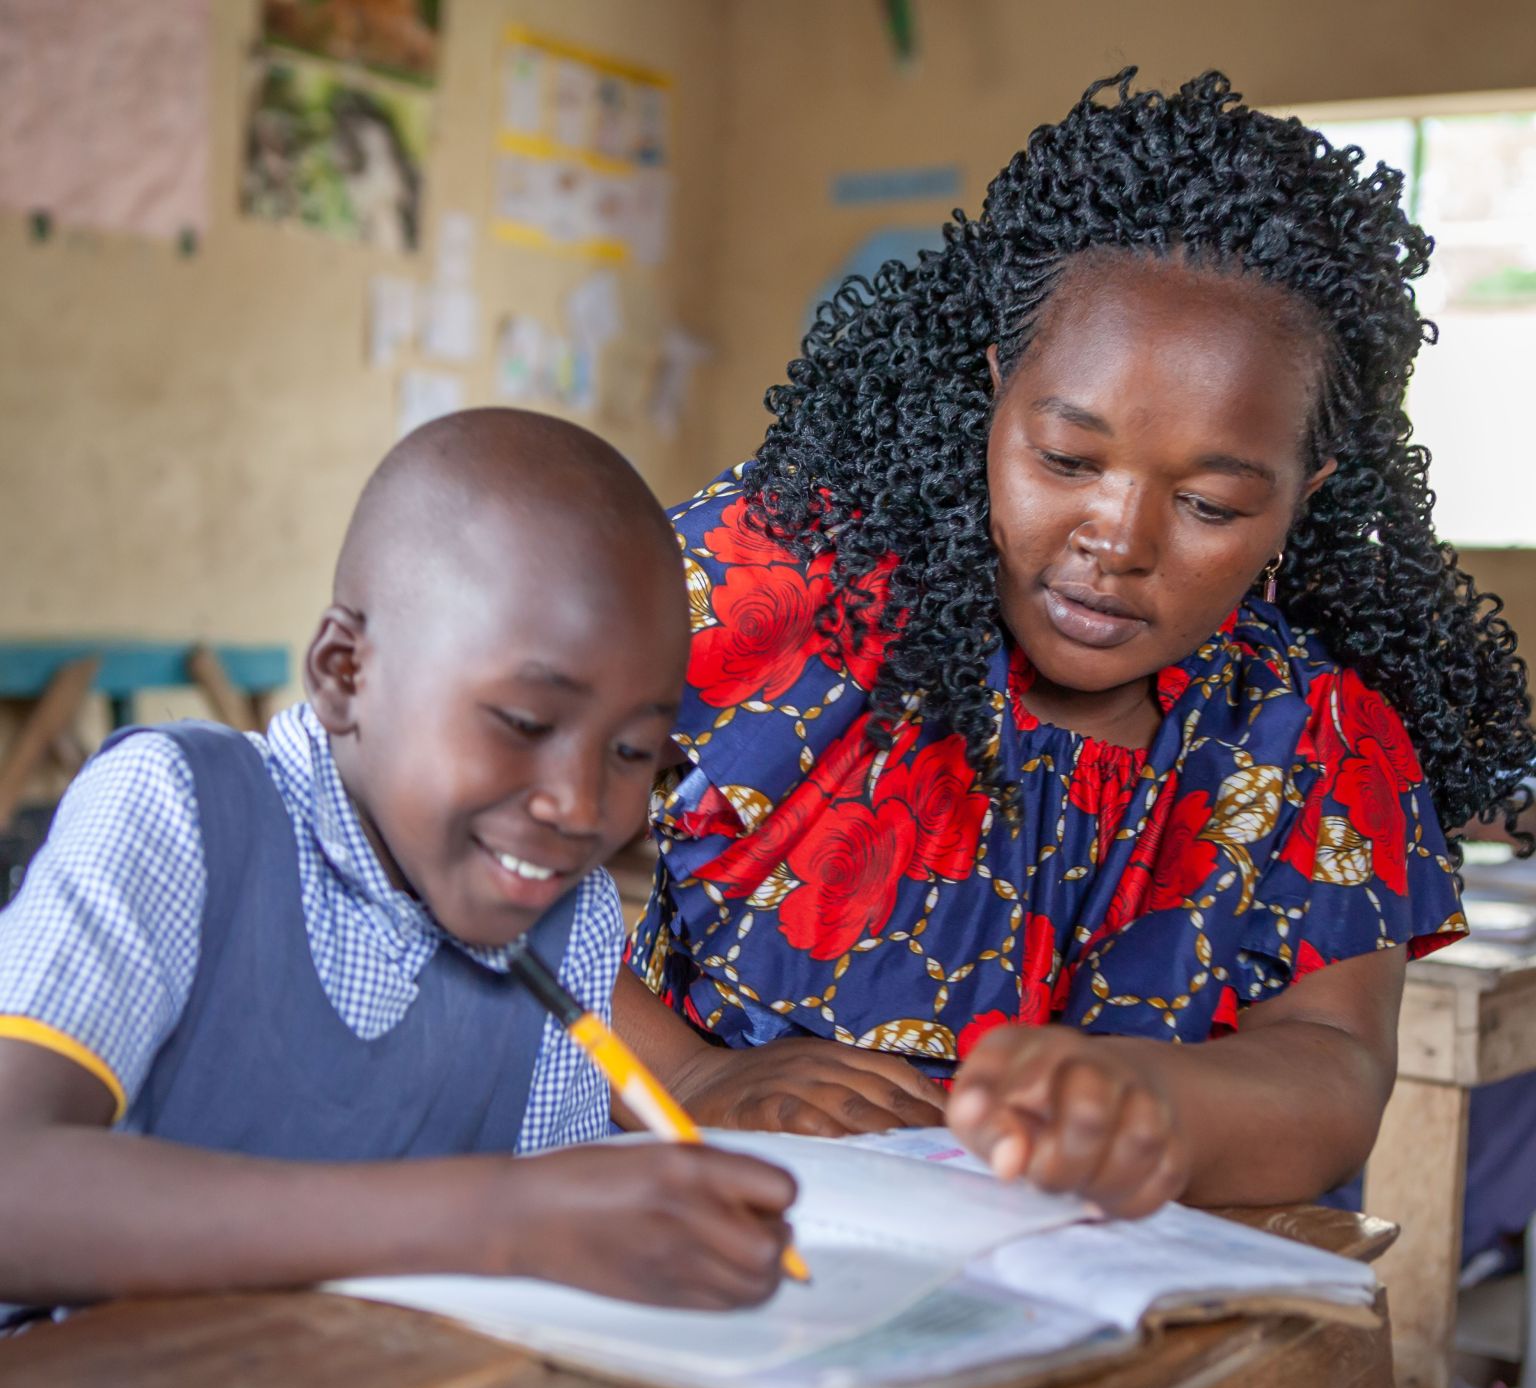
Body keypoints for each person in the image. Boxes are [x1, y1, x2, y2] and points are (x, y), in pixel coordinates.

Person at [616, 68, 1536, 1224]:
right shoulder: (776, 588)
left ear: (1306, 494)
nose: (1119, 541)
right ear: (996, 392)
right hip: (699, 1237)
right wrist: (687, 1075)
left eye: (1209, 504)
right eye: (1065, 459)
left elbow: (1335, 1062)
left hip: (1099, 1299)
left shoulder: (1317, 737)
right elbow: (462, 848)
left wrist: (1160, 1105)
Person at [0, 408, 795, 1314]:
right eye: (525, 722)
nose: (578, 807)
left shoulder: (563, 921)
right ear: (346, 673)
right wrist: (500, 1218)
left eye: (630, 752)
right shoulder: (182, 812)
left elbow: (545, 1277)